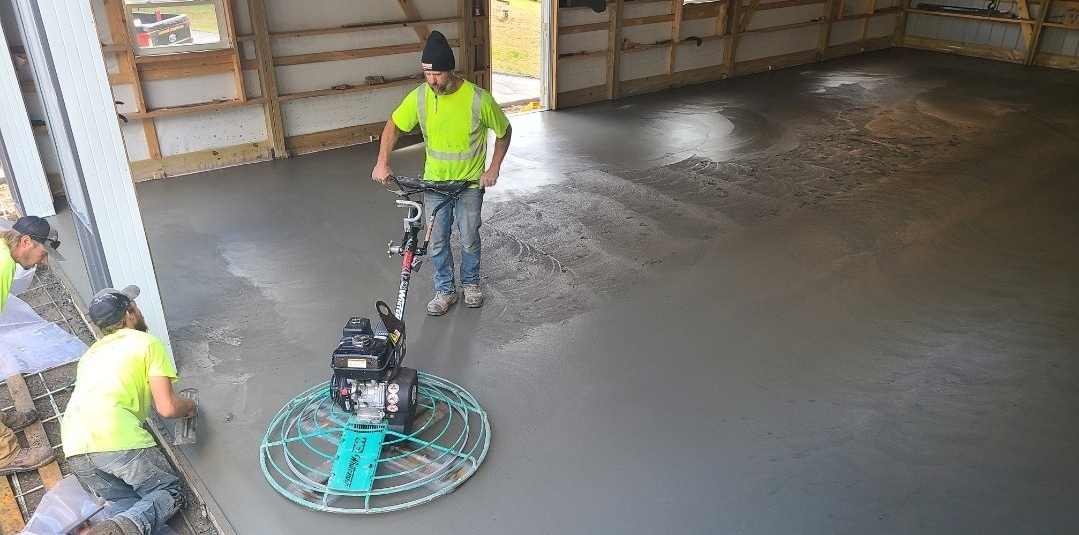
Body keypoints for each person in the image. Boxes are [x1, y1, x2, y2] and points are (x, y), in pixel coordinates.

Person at [371, 30, 512, 316]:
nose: (432, 81)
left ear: (450, 70)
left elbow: (504, 131)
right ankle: (445, 289)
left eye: (437, 75)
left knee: (470, 236)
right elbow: (394, 125)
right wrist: (382, 162)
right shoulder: (421, 96)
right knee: (435, 240)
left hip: (469, 184)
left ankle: (471, 284)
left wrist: (493, 168)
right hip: (434, 183)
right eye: (427, 74)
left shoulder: (477, 99)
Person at [61, 285, 198, 535]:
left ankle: (113, 529)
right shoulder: (146, 343)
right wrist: (190, 407)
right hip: (114, 439)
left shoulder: (90, 355)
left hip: (74, 447)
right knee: (167, 492)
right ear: (129, 314)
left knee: (130, 505)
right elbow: (167, 408)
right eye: (134, 306)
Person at [0, 215, 65, 476]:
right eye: (43, 252)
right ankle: (6, 454)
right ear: (26, 241)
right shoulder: (4, 263)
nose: (44, 261)